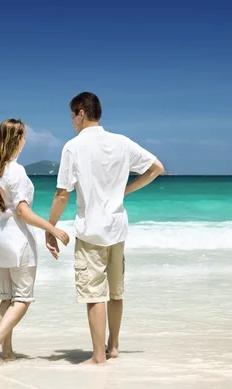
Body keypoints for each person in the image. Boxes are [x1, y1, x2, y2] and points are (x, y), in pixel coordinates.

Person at [45, 92, 164, 365]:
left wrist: (50, 227)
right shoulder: (121, 142)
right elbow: (156, 167)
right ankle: (113, 347)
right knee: (115, 291)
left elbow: (62, 194)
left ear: (81, 113)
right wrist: (125, 191)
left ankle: (98, 356)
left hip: (91, 231)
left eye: (72, 116)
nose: (71, 122)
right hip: (117, 227)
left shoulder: (73, 147)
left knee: (94, 293)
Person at [0, 118, 70, 366]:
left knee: (6, 297)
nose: (26, 140)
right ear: (16, 140)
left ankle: (6, 354)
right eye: (24, 136)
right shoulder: (16, 170)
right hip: (18, 239)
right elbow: (22, 212)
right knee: (22, 299)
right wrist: (53, 228)